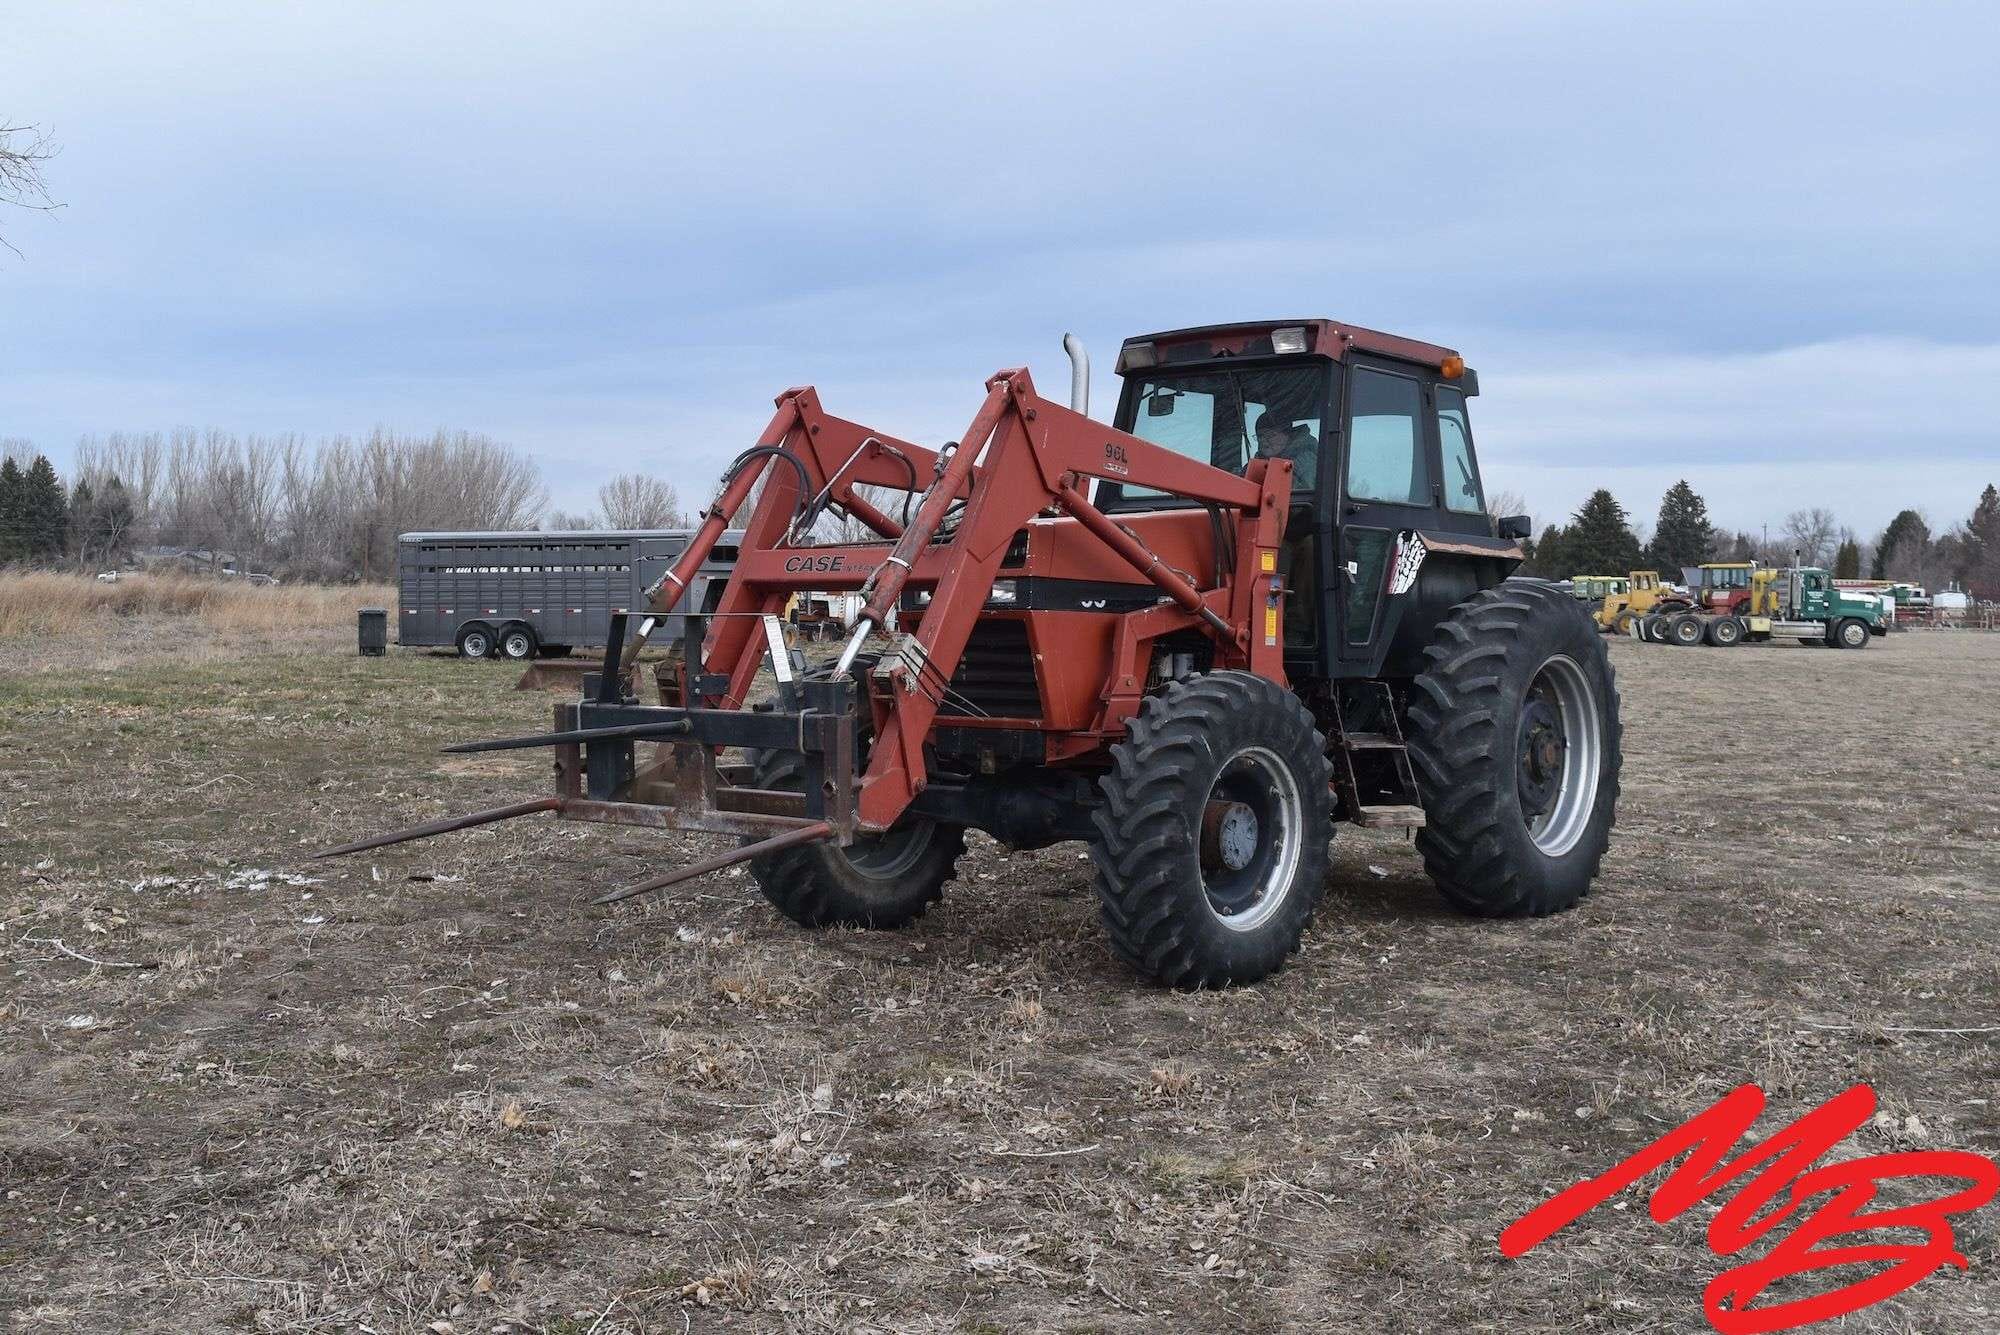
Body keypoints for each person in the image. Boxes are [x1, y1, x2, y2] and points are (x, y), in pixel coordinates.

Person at [1253, 410, 1318, 491]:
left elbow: (1307, 495)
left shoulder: (1306, 462)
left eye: (1270, 435)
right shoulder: (1255, 463)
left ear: (1287, 435)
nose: (1262, 440)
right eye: (1260, 436)